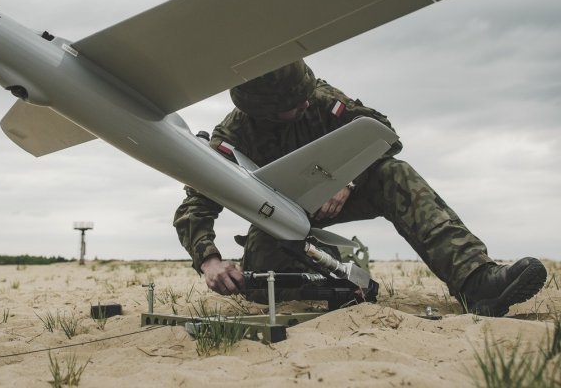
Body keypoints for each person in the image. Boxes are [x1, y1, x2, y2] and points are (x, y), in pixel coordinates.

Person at [173, 61, 547, 316]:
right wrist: (210, 261)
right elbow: (195, 206)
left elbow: (382, 134)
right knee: (260, 284)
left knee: (394, 175)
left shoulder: (317, 98)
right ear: (263, 112)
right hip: (282, 219)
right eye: (294, 104)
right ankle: (335, 278)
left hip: (348, 192)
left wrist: (346, 179)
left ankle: (475, 281)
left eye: (306, 94)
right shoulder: (234, 136)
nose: (306, 103)